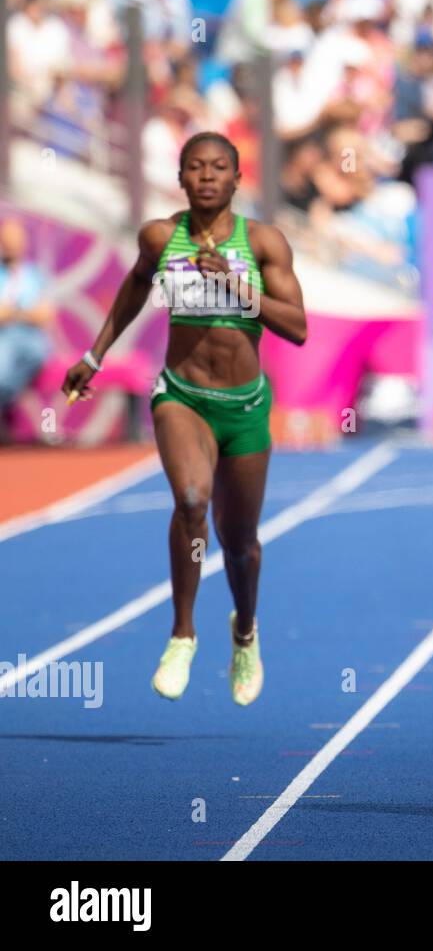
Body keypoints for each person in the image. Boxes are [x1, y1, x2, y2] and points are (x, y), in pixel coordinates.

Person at [62, 132, 308, 705]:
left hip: (244, 407)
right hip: (182, 397)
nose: (205, 176)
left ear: (236, 179)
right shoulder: (159, 236)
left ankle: (244, 632)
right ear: (179, 178)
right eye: (194, 167)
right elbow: (133, 286)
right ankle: (182, 632)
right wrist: (94, 356)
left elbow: (297, 327)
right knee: (192, 502)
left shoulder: (263, 242)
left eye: (218, 167)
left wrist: (232, 282)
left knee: (240, 542)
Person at [0, 219, 55, 438]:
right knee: (1, 373)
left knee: (39, 354)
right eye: (7, 239)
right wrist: (24, 312)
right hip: (5, 336)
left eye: (16, 239)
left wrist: (14, 312)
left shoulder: (33, 274)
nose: (12, 244)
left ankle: (7, 400)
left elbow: (44, 314)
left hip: (31, 336)